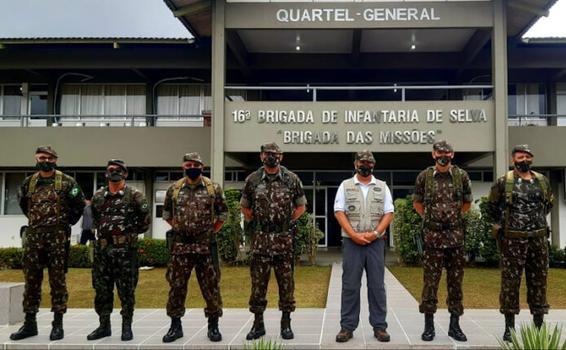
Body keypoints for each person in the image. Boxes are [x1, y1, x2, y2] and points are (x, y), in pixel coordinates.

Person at [10, 146, 85, 341]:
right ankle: (29, 324)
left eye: (50, 158)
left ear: (55, 160)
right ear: (36, 158)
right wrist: (39, 223)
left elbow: (78, 205)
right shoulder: (29, 182)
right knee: (31, 281)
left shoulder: (67, 182)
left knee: (57, 281)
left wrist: (64, 223)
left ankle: (57, 324)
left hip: (57, 237)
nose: (46, 160)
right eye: (43, 157)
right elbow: (24, 205)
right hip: (34, 237)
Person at [486, 144, 553, 341]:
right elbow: (491, 207)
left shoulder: (542, 181)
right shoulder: (503, 182)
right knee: (510, 284)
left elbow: (548, 204)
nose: (524, 160)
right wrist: (509, 224)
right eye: (520, 156)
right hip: (513, 241)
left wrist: (533, 222)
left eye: (527, 157)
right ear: (513, 160)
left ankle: (539, 327)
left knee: (539, 282)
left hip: (538, 240)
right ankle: (509, 329)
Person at [240, 142, 306, 340]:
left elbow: (301, 206)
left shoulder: (291, 179)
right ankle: (258, 324)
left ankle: (286, 324)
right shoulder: (252, 180)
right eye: (268, 154)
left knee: (286, 283)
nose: (271, 157)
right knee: (258, 284)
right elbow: (245, 207)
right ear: (261, 156)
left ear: (281, 157)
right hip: (260, 240)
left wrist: (285, 222)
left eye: (275, 154)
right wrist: (260, 222)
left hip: (284, 240)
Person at [162, 152, 228, 343]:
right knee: (176, 286)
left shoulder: (212, 188)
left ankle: (213, 326)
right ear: (183, 167)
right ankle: (175, 326)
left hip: (205, 247)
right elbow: (166, 213)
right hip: (180, 247)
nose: (192, 168)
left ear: (202, 166)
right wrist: (179, 228)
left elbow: (222, 214)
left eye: (195, 165)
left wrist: (210, 231)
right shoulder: (174, 189)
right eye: (188, 165)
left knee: (211, 287)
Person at [413, 140, 472, 342]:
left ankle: (454, 326)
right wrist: (432, 220)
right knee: (430, 283)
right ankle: (429, 326)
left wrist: (452, 220)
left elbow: (466, 203)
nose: (443, 155)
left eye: (446, 152)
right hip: (433, 239)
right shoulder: (425, 176)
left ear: (452, 154)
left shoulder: (461, 176)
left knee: (456, 283)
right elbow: (418, 203)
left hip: (455, 238)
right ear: (433, 154)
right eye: (439, 152)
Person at [334, 150, 394, 343]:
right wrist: (353, 234)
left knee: (377, 286)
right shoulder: (345, 186)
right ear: (355, 164)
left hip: (375, 243)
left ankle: (380, 327)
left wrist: (375, 233)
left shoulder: (383, 187)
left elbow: (389, 213)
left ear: (373, 165)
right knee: (350, 285)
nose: (365, 165)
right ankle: (347, 327)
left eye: (369, 162)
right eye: (362, 162)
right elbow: (339, 211)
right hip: (352, 243)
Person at [87, 159, 150, 341]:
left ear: (125, 173)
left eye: (118, 170)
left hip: (125, 251)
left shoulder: (135, 195)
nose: (114, 172)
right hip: (103, 251)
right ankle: (104, 326)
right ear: (106, 173)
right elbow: (96, 219)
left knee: (126, 290)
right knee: (101, 289)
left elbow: (144, 222)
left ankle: (126, 326)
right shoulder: (99, 196)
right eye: (111, 169)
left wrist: (127, 235)